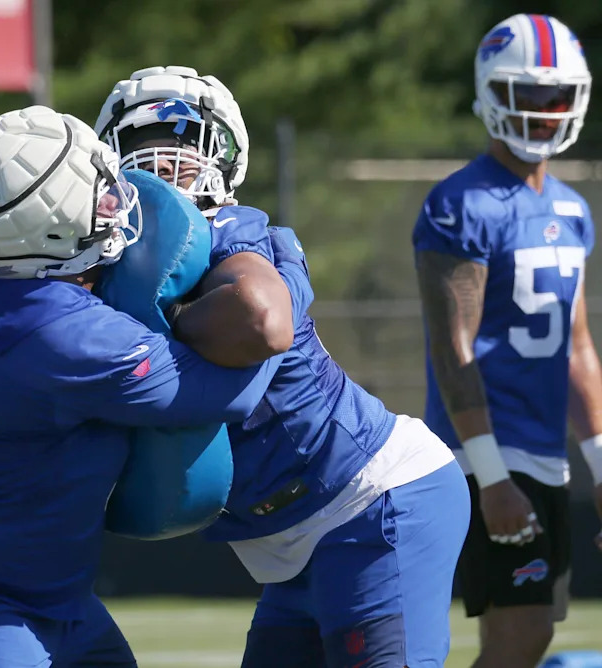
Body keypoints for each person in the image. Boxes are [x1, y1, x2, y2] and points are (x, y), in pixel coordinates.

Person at [0, 105, 286, 667]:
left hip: (48, 594)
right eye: (96, 191)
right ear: (45, 228)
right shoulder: (59, 332)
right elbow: (228, 389)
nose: (117, 197)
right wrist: (286, 281)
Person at [95, 66, 471, 667]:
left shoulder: (233, 233)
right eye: (143, 151)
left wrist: (154, 325)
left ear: (224, 163)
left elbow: (262, 321)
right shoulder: (106, 273)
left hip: (371, 500)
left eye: (185, 151)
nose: (164, 166)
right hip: (287, 540)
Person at [412, 14, 602, 668]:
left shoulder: (574, 210)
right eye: (528, 94)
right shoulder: (460, 204)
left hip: (545, 451)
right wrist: (490, 474)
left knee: (535, 631)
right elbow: (451, 349)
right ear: (493, 92)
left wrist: (600, 461)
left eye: (557, 97)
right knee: (519, 632)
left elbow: (576, 348)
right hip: (485, 451)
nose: (545, 113)